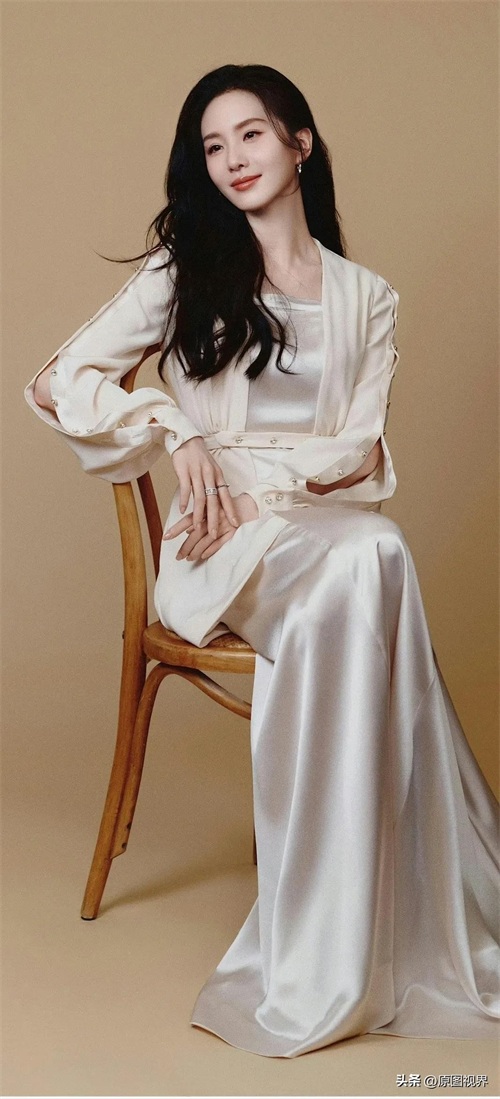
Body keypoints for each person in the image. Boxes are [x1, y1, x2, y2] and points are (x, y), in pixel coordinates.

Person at [25, 63, 499, 1059]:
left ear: (299, 143)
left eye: (249, 133)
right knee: (375, 556)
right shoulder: (184, 270)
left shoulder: (367, 298)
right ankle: (328, 938)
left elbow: (359, 453)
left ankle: (348, 932)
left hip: (317, 533)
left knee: (373, 549)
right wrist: (177, 430)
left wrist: (263, 479)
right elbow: (56, 380)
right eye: (212, 145)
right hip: (217, 545)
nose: (232, 158)